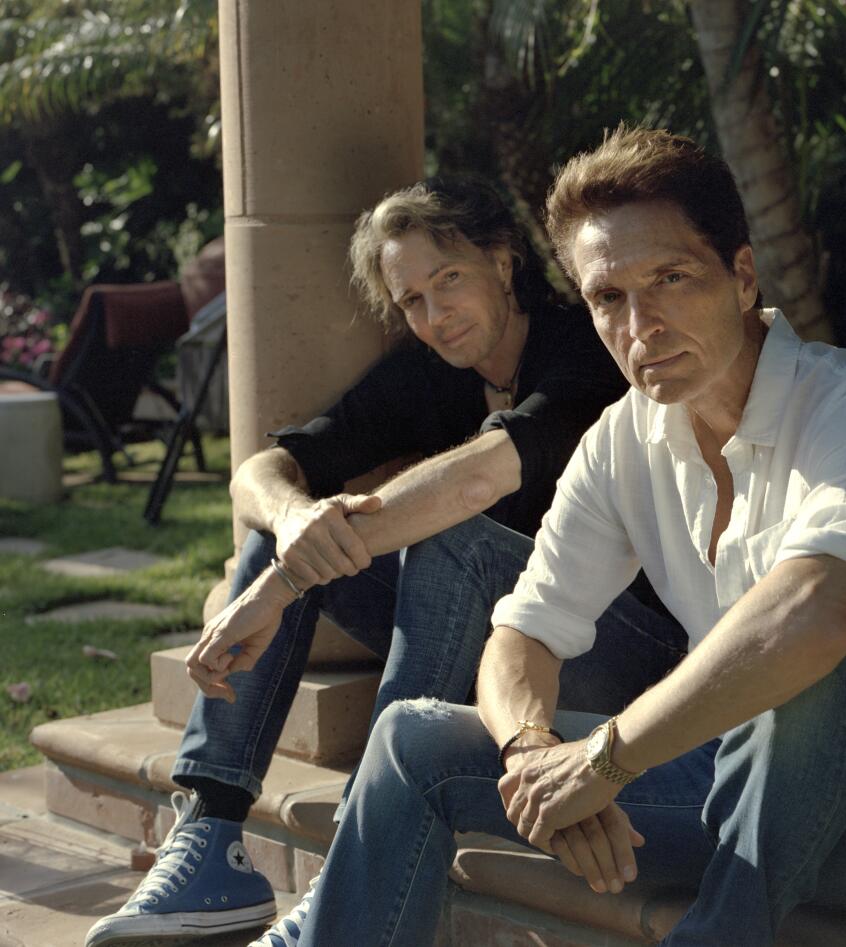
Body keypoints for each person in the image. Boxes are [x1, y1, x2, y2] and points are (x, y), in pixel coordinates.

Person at [280, 126, 846, 946]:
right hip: (717, 781)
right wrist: (536, 755)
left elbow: (824, 609)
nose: (640, 324)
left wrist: (605, 760)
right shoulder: (622, 440)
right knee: (411, 739)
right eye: (607, 298)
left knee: (804, 654)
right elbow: (522, 634)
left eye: (671, 279)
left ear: (741, 274)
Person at [84, 176, 688, 947]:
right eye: (411, 301)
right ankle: (210, 839)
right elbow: (263, 471)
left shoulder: (584, 350)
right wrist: (295, 521)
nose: (435, 317)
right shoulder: (435, 365)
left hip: (631, 650)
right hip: (500, 648)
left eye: (449, 282)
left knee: (446, 537)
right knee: (284, 531)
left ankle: (359, 857)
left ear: (501, 263)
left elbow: (480, 476)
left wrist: (283, 583)